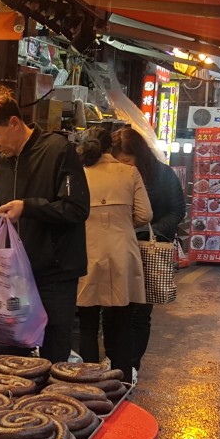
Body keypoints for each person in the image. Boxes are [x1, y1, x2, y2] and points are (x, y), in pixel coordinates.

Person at [0, 86, 90, 364]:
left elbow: (77, 209)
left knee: (55, 351)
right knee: (11, 351)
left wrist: (28, 207)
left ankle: (54, 405)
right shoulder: (3, 163)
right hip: (13, 275)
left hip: (55, 273)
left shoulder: (58, 151)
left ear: (14, 123)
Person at [77, 126, 152, 381]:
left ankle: (87, 381)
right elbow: (145, 215)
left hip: (87, 252)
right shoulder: (130, 172)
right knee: (122, 323)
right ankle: (121, 382)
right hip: (123, 253)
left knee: (86, 323)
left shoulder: (79, 174)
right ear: (111, 147)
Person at [112, 126, 186, 377]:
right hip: (118, 249)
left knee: (140, 313)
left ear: (139, 156)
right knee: (114, 310)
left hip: (147, 249)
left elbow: (177, 212)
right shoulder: (116, 175)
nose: (123, 166)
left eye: (127, 161)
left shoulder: (162, 175)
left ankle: (132, 364)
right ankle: (114, 362)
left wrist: (148, 231)